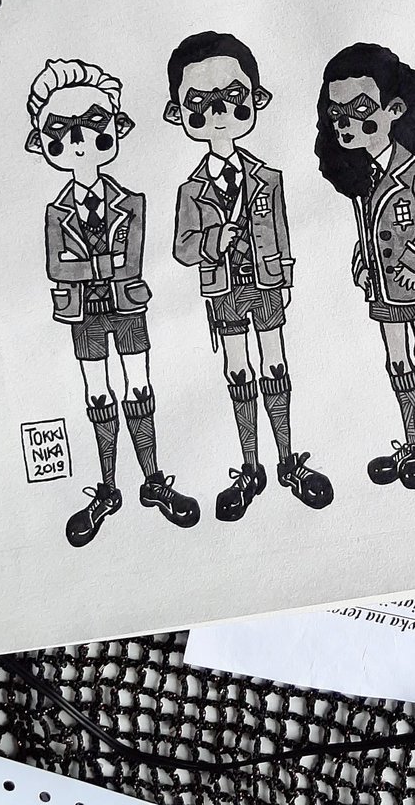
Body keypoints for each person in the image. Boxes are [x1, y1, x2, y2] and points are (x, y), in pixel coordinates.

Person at [26, 58, 199, 547]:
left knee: (139, 386)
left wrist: (93, 267)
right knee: (97, 393)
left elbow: (132, 261)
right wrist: (103, 266)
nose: (80, 139)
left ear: (118, 128)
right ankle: (107, 489)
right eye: (62, 130)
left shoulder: (132, 202)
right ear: (43, 143)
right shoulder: (56, 211)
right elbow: (56, 267)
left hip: (127, 307)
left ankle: (153, 480)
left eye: (94, 123)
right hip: (82, 314)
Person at [167, 32, 333, 521]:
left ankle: (287, 461)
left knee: (275, 364)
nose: (218, 111)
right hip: (224, 288)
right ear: (179, 113)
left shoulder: (268, 178)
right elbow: (181, 248)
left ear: (255, 100)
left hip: (265, 283)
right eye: (200, 103)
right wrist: (211, 241)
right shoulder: (191, 190)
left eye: (232, 97)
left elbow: (280, 231)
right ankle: (250, 467)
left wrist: (285, 278)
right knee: (238, 370)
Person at [315, 43, 415, 490]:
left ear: (394, 110)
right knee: (396, 359)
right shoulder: (359, 177)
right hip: (382, 286)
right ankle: (412, 441)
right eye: (337, 114)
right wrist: (361, 264)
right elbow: (367, 231)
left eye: (360, 111)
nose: (346, 124)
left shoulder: (414, 169)